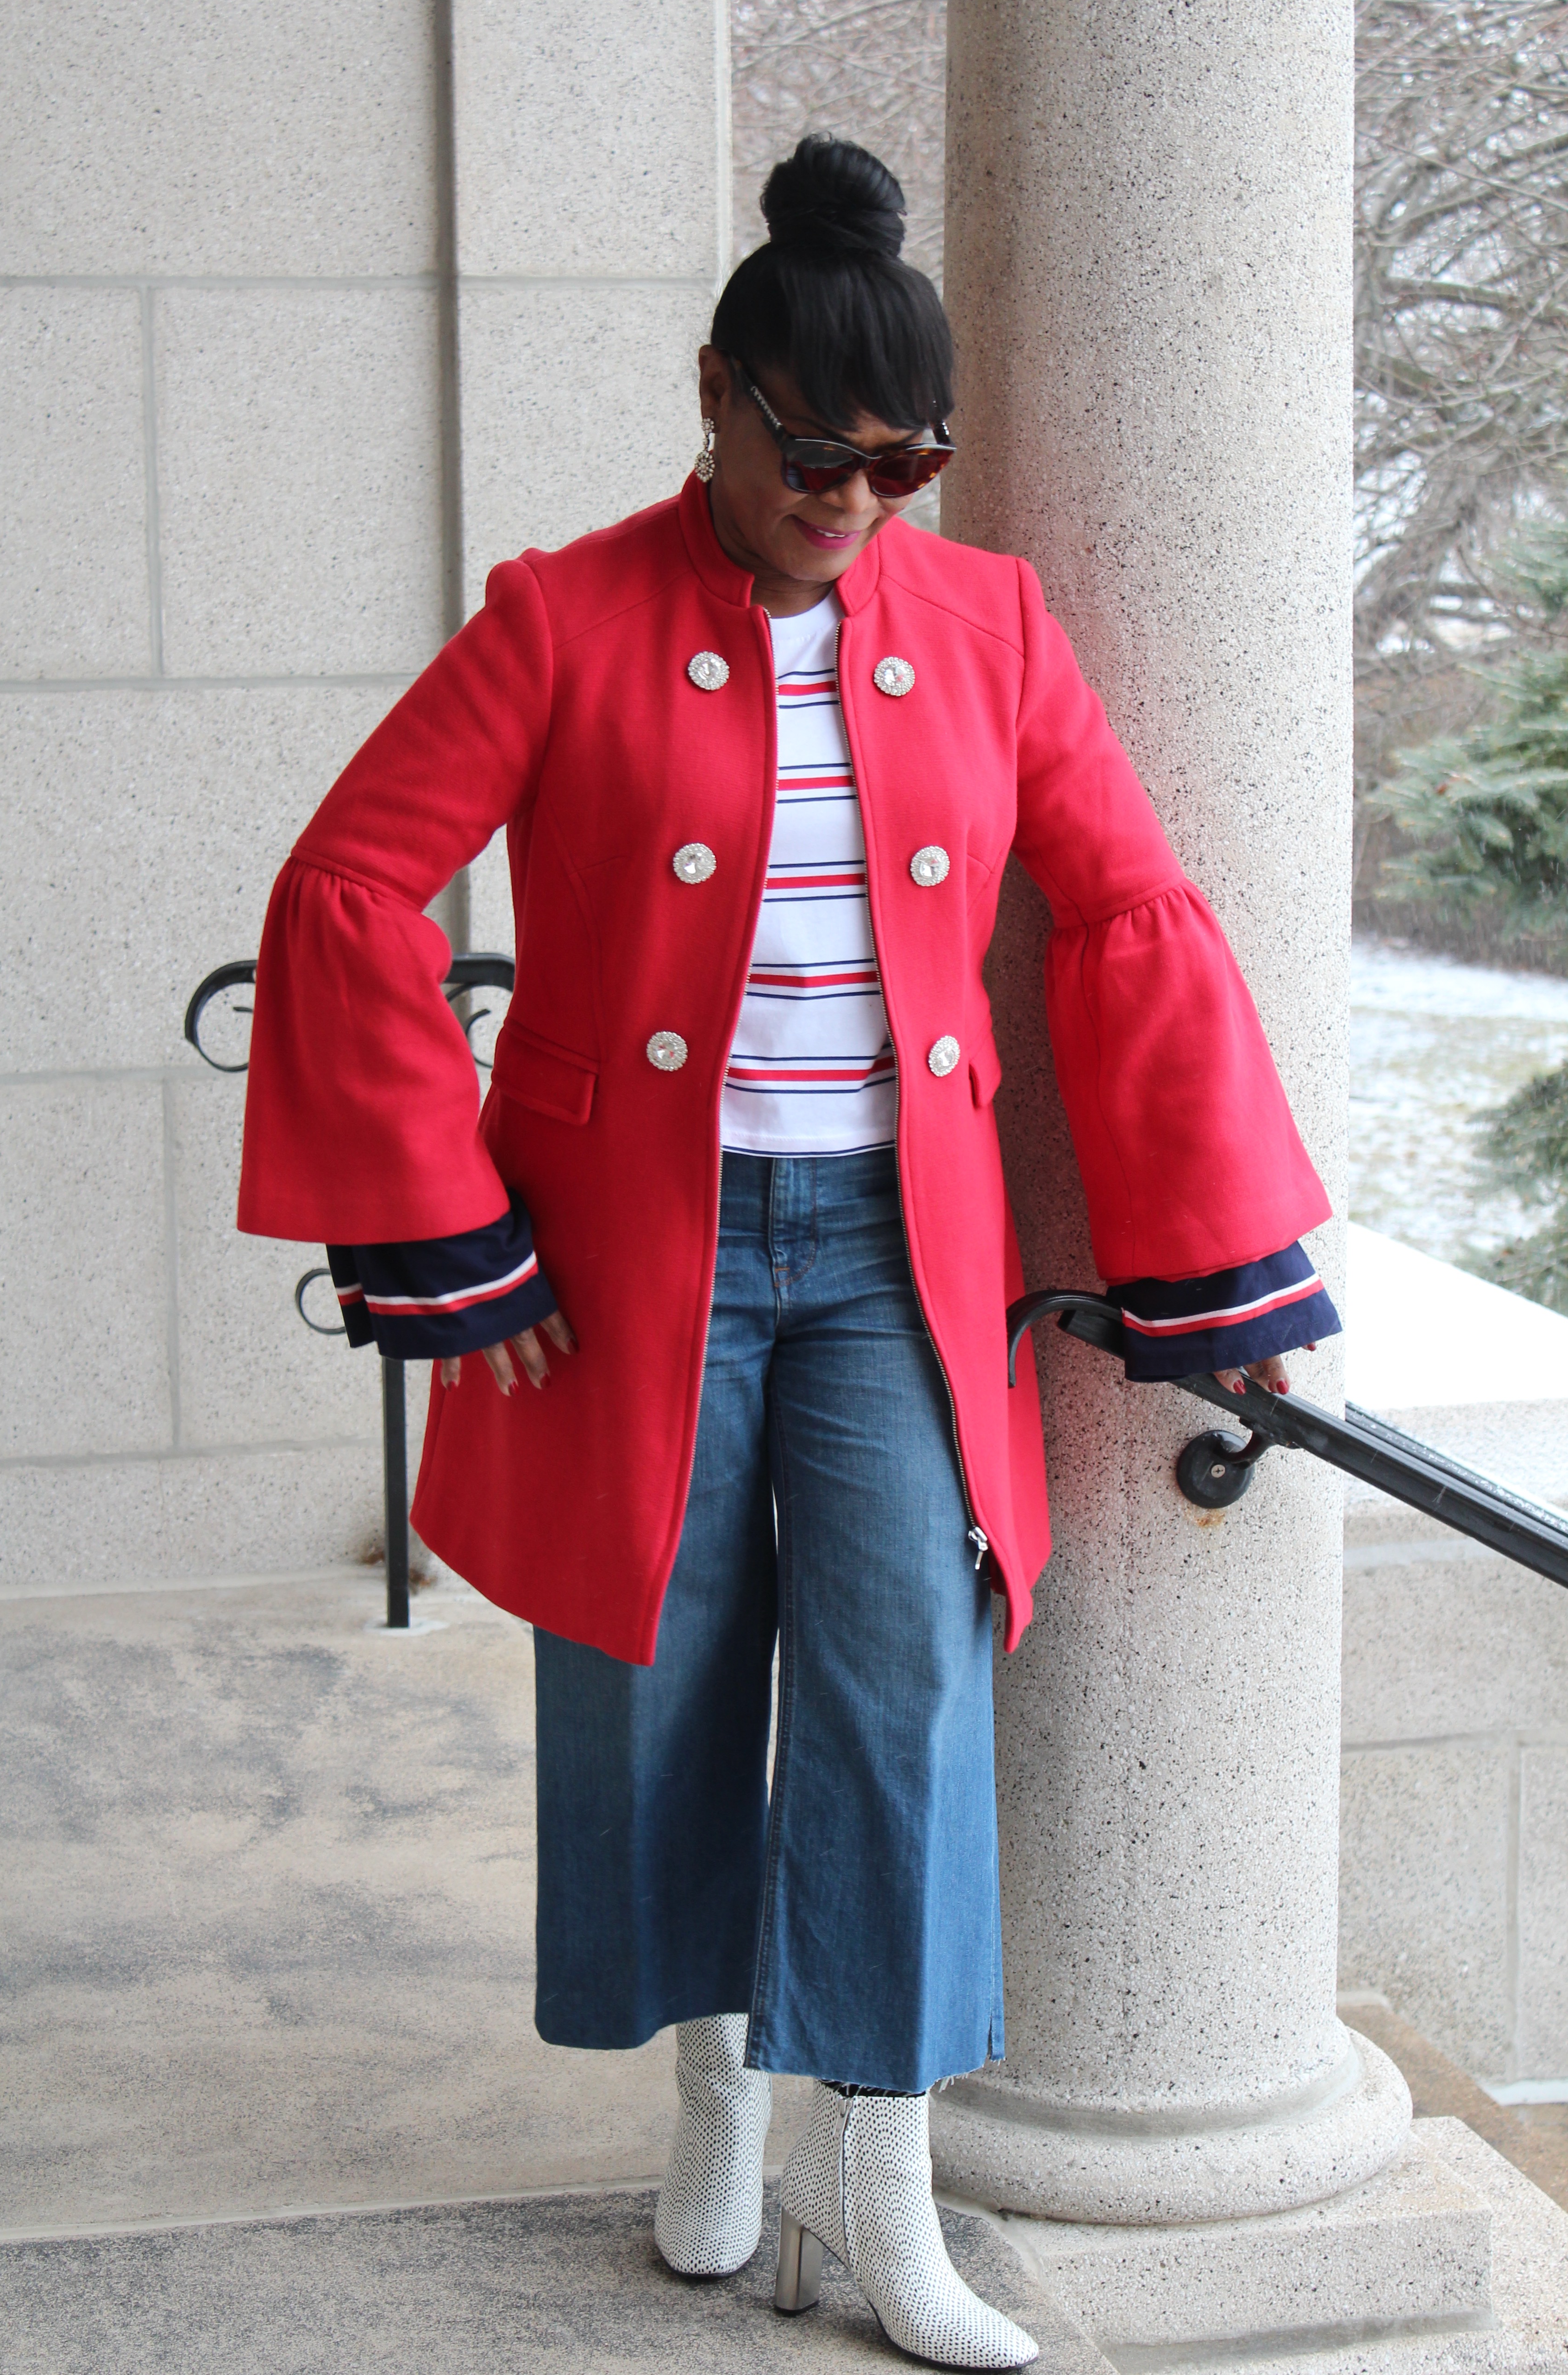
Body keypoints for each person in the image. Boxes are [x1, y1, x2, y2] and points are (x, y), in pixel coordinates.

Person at [238, 136, 1340, 2371]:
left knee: (904, 1698)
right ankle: (715, 2095)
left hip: (887, 1256)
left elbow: (1129, 914)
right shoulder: (564, 613)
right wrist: (448, 1224)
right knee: (651, 1675)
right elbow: (350, 892)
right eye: (815, 451)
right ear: (717, 398)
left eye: (903, 460)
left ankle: (884, 2185)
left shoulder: (991, 621)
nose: (858, 497)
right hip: (634, 1249)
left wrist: (1216, 1257)